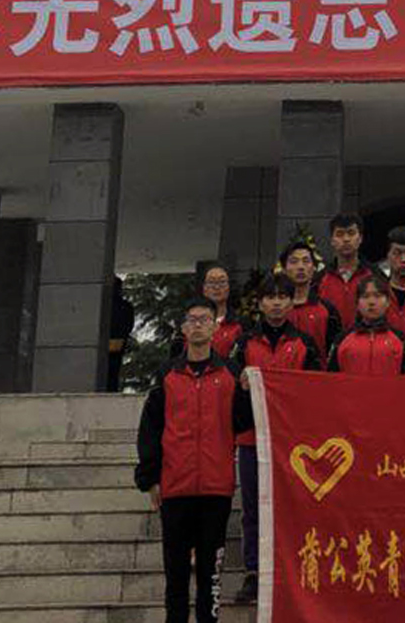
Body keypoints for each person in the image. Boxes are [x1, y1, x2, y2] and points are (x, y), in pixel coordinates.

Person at [135, 297, 247, 623]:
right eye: (192, 320)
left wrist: (246, 392)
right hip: (175, 486)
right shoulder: (167, 375)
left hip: (215, 487)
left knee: (210, 574)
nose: (198, 325)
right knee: (176, 572)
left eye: (204, 320)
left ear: (214, 327)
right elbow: (150, 429)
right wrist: (151, 478)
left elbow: (244, 422)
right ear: (183, 328)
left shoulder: (230, 372)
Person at [229, 272, 319, 607]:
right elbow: (231, 391)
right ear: (261, 303)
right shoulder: (245, 344)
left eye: (283, 297)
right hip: (252, 439)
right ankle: (254, 571)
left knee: (292, 506)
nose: (277, 304)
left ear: (292, 302)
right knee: (253, 508)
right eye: (270, 297)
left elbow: (315, 390)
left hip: (293, 443)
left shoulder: (305, 344)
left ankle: (292, 570)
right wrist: (242, 385)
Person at [329, 272, 405, 374]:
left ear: (388, 302)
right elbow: (331, 378)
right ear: (357, 303)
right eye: (365, 296)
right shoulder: (342, 340)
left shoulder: (401, 340)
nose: (371, 302)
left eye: (377, 296)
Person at [280, 241, 341, 357]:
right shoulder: (276, 307)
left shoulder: (327, 310)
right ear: (284, 269)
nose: (300, 267)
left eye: (306, 261)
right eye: (294, 262)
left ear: (314, 268)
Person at [316, 213, 373, 332]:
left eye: (351, 233)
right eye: (340, 234)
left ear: (360, 238)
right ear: (332, 240)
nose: (346, 239)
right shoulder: (319, 279)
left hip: (365, 339)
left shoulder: (374, 276)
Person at [199, 262, 244, 360]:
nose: (217, 287)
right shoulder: (193, 322)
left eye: (222, 282)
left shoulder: (240, 323)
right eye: (211, 282)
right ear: (204, 289)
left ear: (229, 287)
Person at [107, 276, 135, 391]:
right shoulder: (125, 306)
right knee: (113, 369)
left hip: (109, 341)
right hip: (118, 341)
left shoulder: (104, 304)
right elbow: (129, 326)